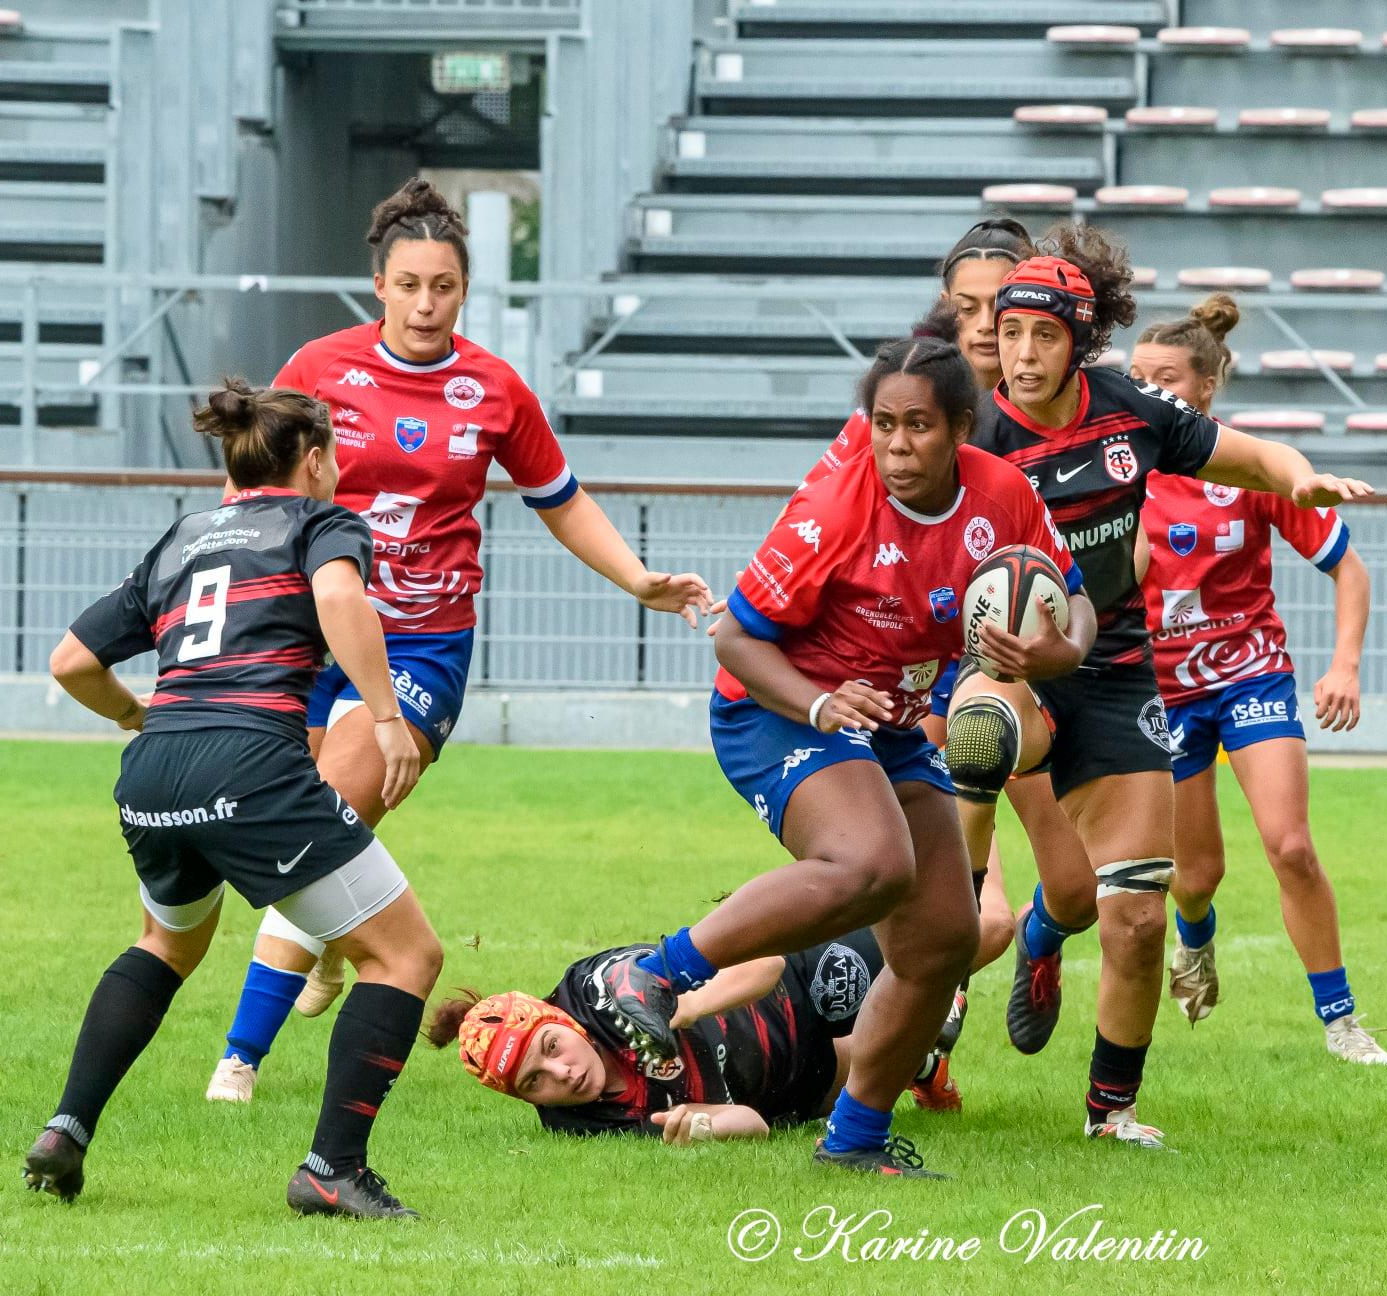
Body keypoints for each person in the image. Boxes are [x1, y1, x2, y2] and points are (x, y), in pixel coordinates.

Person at [205, 178, 714, 1104]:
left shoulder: (494, 388)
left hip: (423, 646)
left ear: (466, 289)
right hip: (312, 629)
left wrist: (637, 578)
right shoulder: (319, 366)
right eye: (408, 285)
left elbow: (562, 499)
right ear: (379, 285)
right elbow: (256, 483)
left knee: (323, 813)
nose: (425, 304)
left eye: (443, 286)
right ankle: (326, 944)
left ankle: (238, 1061)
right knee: (310, 823)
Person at [945, 226, 1372, 1149]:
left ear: (1080, 342)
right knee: (989, 757)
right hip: (1006, 668)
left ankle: (1111, 1113)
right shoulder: (967, 431)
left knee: (1135, 918)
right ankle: (949, 953)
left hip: (1112, 672)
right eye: (1010, 334)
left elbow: (1253, 458)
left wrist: (1304, 480)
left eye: (1045, 336)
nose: (1023, 354)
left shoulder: (1131, 412)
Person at [639, 333, 1093, 1177]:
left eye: (918, 425)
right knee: (872, 862)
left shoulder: (1002, 495)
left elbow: (1074, 599)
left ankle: (853, 1142)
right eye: (884, 423)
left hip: (887, 725)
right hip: (778, 711)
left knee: (945, 939)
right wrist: (820, 703)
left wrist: (1056, 651)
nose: (897, 444)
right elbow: (734, 639)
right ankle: (657, 973)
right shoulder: (836, 510)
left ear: (961, 428)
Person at [24, 381, 446, 1218]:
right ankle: (332, 1170)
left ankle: (66, 1129)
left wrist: (137, 716)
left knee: (165, 944)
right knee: (407, 957)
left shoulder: (183, 537)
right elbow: (339, 599)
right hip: (250, 766)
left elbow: (71, 660)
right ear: (314, 461)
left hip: (152, 772)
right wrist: (387, 719)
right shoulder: (321, 523)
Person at [795, 221, 1094, 1114]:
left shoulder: (1071, 409)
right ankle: (908, 1042)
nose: (988, 327)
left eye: (1004, 309)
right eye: (970, 308)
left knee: (1076, 895)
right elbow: (825, 519)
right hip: (931, 687)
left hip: (1031, 668)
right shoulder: (906, 413)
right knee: (969, 916)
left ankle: (1032, 945)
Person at [1129, 295, 1387, 1065]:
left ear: (1206, 388)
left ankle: (1341, 1021)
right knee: (1196, 875)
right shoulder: (1117, 473)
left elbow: (1350, 570)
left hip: (1250, 676)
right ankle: (1194, 936)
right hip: (1161, 693)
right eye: (1138, 378)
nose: (1148, 393)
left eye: (1166, 379)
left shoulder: (1245, 467)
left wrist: (1344, 667)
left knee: (1291, 846)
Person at [429, 929, 912, 1150]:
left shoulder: (597, 989)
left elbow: (766, 964)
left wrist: (688, 1006)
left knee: (943, 946)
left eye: (551, 1046)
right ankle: (925, 1064)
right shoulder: (582, 1125)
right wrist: (706, 1126)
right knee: (892, 1056)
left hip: (796, 984)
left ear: (562, 1020)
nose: (563, 1073)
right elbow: (755, 1126)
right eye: (535, 1081)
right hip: (801, 1083)